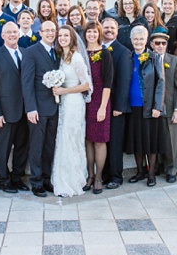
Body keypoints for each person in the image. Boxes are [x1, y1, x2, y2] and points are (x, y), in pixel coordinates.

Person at [0, 21, 30, 194]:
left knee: (22, 146)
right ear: (2, 36)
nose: (12, 35)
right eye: (8, 32)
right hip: (5, 111)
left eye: (15, 32)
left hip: (25, 111)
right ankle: (3, 179)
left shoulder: (26, 53)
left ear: (19, 34)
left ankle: (17, 178)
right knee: (3, 148)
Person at [50, 25, 92, 197]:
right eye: (60, 35)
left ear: (72, 38)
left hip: (74, 102)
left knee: (71, 138)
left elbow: (86, 85)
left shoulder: (76, 58)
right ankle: (62, 177)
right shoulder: (62, 57)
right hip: (64, 103)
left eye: (66, 35)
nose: (63, 38)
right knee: (63, 138)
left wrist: (64, 91)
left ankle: (72, 180)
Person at [21, 21, 60, 197]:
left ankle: (46, 178)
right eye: (47, 30)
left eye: (53, 30)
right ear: (40, 32)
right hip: (38, 108)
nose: (51, 33)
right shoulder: (31, 52)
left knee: (49, 146)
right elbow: (27, 82)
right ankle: (36, 182)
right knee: (37, 146)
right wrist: (30, 108)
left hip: (55, 107)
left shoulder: (58, 52)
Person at [124, 25, 166, 187]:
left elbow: (161, 82)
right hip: (133, 106)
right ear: (131, 40)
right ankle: (140, 171)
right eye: (135, 39)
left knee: (151, 142)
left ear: (146, 40)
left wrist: (158, 106)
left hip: (150, 108)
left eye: (141, 39)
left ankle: (151, 173)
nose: (138, 42)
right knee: (137, 141)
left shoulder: (154, 57)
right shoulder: (128, 57)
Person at [83, 22, 113, 195]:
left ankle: (99, 177)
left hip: (101, 100)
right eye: (89, 32)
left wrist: (102, 107)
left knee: (100, 140)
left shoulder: (105, 54)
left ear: (99, 33)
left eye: (95, 32)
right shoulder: (80, 53)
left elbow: (108, 82)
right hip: (84, 101)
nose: (92, 35)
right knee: (88, 140)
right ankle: (90, 175)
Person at [102, 17, 131, 190]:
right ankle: (104, 174)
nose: (109, 30)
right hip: (100, 104)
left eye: (112, 28)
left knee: (114, 142)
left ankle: (116, 176)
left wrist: (119, 106)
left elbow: (124, 81)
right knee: (102, 140)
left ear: (117, 31)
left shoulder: (123, 51)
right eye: (106, 28)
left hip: (115, 106)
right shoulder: (98, 48)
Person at [150, 28, 177, 183]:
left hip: (169, 106)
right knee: (153, 139)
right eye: (157, 43)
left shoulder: (175, 61)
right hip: (151, 107)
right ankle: (154, 168)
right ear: (151, 44)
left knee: (171, 141)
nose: (160, 46)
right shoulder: (147, 59)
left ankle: (171, 170)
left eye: (163, 43)